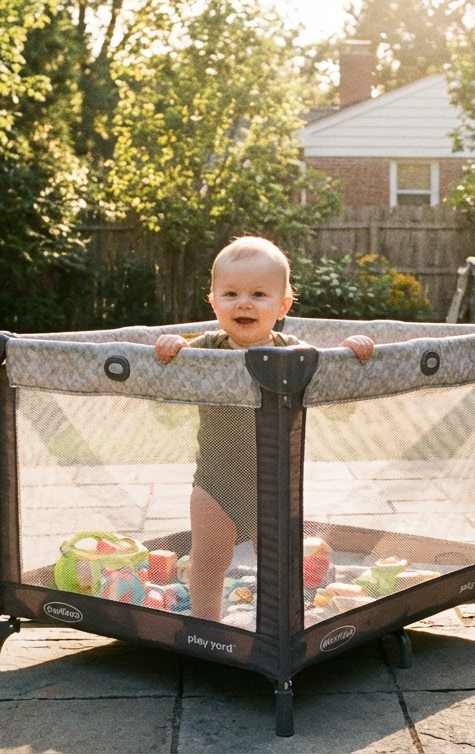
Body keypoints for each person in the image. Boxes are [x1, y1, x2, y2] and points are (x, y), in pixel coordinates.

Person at [156, 237, 374, 620]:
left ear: (283, 306)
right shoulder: (203, 350)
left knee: (278, 565)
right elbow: (167, 396)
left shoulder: (295, 353)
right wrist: (171, 351)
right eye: (231, 293)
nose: (243, 302)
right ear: (213, 302)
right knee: (207, 562)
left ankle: (277, 625)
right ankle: (206, 626)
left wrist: (348, 357)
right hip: (214, 483)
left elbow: (338, 403)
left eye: (259, 294)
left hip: (274, 483)